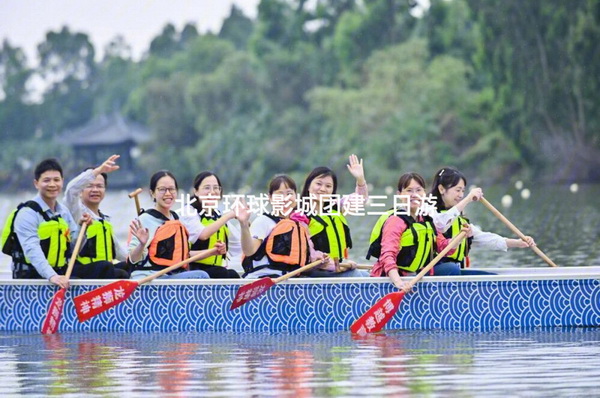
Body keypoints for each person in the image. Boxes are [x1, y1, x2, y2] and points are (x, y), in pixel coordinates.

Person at [4, 159, 117, 288]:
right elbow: (32, 250)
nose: (52, 184)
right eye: (46, 180)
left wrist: (82, 228)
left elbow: (74, 248)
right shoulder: (27, 213)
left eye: (56, 180)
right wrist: (52, 276)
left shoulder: (63, 212)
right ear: (36, 183)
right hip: (32, 276)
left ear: (62, 182)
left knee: (105, 267)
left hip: (60, 271)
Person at [368, 172, 470, 292]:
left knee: (451, 268)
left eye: (418, 190)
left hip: (416, 275)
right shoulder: (395, 221)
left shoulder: (426, 219)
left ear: (424, 194)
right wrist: (399, 282)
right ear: (399, 195)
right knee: (451, 269)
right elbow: (388, 256)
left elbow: (443, 247)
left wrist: (458, 238)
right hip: (394, 278)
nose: (414, 195)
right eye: (409, 190)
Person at [429, 167, 536, 274]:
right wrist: (468, 199)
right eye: (457, 190)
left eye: (463, 191)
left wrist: (519, 243)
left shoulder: (460, 221)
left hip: (456, 271)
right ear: (442, 189)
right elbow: (440, 225)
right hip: (434, 271)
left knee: (494, 278)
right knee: (452, 269)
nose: (461, 195)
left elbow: (486, 239)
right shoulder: (428, 212)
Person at [128, 171, 219, 280]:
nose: (168, 193)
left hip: (170, 275)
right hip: (149, 279)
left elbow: (185, 255)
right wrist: (142, 244)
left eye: (171, 189)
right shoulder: (145, 219)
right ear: (152, 193)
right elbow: (132, 259)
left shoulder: (177, 218)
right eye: (162, 189)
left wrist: (212, 252)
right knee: (201, 276)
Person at [237, 175, 328, 279]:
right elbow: (249, 251)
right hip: (262, 279)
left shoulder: (299, 226)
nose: (285, 199)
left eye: (289, 194)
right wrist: (244, 225)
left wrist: (317, 263)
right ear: (270, 198)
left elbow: (298, 266)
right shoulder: (263, 221)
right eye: (279, 194)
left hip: (289, 281)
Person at [300, 154, 369, 277]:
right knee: (357, 275)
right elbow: (310, 252)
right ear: (309, 186)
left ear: (332, 190)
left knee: (367, 275)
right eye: (318, 184)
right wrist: (337, 266)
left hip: (337, 267)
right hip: (315, 270)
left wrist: (360, 179)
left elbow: (360, 199)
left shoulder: (336, 207)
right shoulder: (300, 215)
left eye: (328, 186)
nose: (322, 189)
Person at [63, 154, 129, 279]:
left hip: (102, 270)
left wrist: (141, 249)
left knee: (127, 266)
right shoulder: (75, 210)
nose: (95, 190)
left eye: (99, 186)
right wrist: (98, 171)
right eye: (90, 186)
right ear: (81, 190)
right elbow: (71, 190)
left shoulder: (104, 221)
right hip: (79, 270)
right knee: (109, 268)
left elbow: (120, 253)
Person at [183, 171, 240, 278]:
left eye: (216, 188)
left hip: (215, 270)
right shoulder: (188, 211)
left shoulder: (219, 217)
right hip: (193, 270)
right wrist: (230, 215)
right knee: (223, 273)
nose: (212, 192)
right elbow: (203, 234)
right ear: (196, 191)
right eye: (207, 188)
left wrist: (244, 223)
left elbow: (241, 248)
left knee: (232, 274)